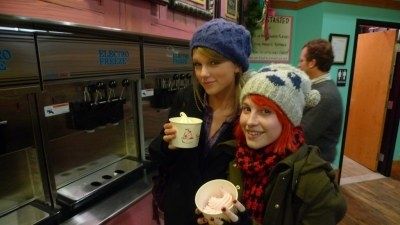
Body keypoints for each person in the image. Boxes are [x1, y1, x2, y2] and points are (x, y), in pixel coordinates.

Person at [197, 64, 347, 225]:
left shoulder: (314, 182)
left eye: (266, 111)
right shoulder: (233, 156)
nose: (250, 122)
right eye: (247, 109)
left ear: (287, 120)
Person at [149, 18, 252, 225]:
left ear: (238, 65)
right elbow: (156, 155)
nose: (203, 74)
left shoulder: (250, 113)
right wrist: (167, 145)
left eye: (214, 62)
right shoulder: (187, 99)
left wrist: (237, 217)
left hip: (220, 217)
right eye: (198, 64)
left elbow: (256, 181)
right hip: (179, 211)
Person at [298, 39, 343, 163]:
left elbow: (302, 135)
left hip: (314, 164)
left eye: (301, 60)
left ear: (312, 63)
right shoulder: (316, 88)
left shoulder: (325, 96)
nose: (298, 65)